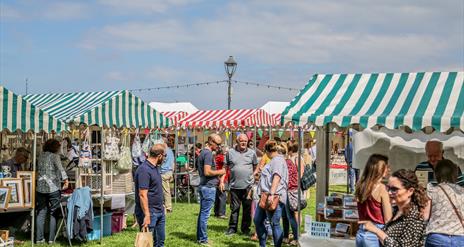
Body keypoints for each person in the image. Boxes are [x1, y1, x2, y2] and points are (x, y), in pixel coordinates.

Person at [360, 169, 428, 247]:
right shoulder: (397, 211)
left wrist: (377, 231)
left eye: (394, 189)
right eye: (388, 188)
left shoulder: (414, 217)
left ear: (410, 191)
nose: (389, 193)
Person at [253, 141, 288, 247]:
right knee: (257, 220)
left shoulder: (277, 160)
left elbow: (277, 177)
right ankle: (262, 245)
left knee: (274, 224)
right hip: (265, 195)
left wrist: (272, 194)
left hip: (274, 196)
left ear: (267, 151)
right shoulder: (274, 160)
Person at [424, 159, 464, 246]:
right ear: (454, 174)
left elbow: (425, 216)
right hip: (459, 238)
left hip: (437, 237)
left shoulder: (432, 191)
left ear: (436, 174)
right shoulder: (462, 192)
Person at [355, 154, 392, 247]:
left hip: (361, 232)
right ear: (380, 169)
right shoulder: (382, 188)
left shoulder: (360, 185)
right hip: (376, 234)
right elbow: (388, 219)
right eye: (387, 167)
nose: (389, 170)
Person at [224, 134, 258, 236]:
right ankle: (232, 228)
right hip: (234, 186)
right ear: (237, 141)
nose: (243, 143)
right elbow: (225, 167)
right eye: (241, 141)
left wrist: (253, 175)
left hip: (248, 186)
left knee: (247, 210)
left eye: (245, 141)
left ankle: (245, 229)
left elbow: (256, 166)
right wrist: (222, 180)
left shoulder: (252, 153)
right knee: (234, 208)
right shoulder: (230, 152)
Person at [36, 139, 69, 244]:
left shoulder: (40, 156)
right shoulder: (55, 156)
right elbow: (60, 169)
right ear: (55, 147)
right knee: (53, 212)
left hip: (40, 188)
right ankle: (51, 239)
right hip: (53, 187)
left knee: (41, 213)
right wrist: (66, 180)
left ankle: (39, 238)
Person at [196, 134, 226, 246]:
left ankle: (200, 238)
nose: (219, 147)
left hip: (204, 186)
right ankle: (203, 239)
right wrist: (220, 172)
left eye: (220, 144)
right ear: (210, 141)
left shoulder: (203, 153)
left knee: (202, 214)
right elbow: (207, 172)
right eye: (217, 144)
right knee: (205, 215)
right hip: (208, 187)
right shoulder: (208, 154)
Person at [134, 144, 167, 247]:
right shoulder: (144, 170)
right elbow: (142, 194)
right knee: (146, 244)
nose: (165, 158)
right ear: (160, 156)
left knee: (160, 242)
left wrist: (163, 205)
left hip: (159, 211)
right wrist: (147, 215)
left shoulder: (154, 168)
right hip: (149, 213)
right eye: (164, 156)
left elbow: (156, 189)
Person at [282, 141, 303, 246]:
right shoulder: (288, 161)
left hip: (291, 190)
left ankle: (296, 237)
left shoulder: (291, 161)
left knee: (291, 215)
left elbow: (296, 177)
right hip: (288, 190)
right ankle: (286, 236)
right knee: (285, 215)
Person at [160, 138, 175, 213]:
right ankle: (166, 206)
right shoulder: (171, 151)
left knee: (166, 191)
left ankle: (168, 207)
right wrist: (172, 172)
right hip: (169, 172)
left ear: (164, 142)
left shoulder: (164, 151)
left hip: (164, 172)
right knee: (166, 190)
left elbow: (161, 162)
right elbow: (173, 163)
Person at [214, 146, 229, 219]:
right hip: (222, 178)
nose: (227, 153)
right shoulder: (221, 157)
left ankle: (217, 212)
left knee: (218, 195)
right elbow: (227, 164)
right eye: (226, 151)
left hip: (218, 177)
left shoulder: (217, 156)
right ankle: (221, 213)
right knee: (223, 195)